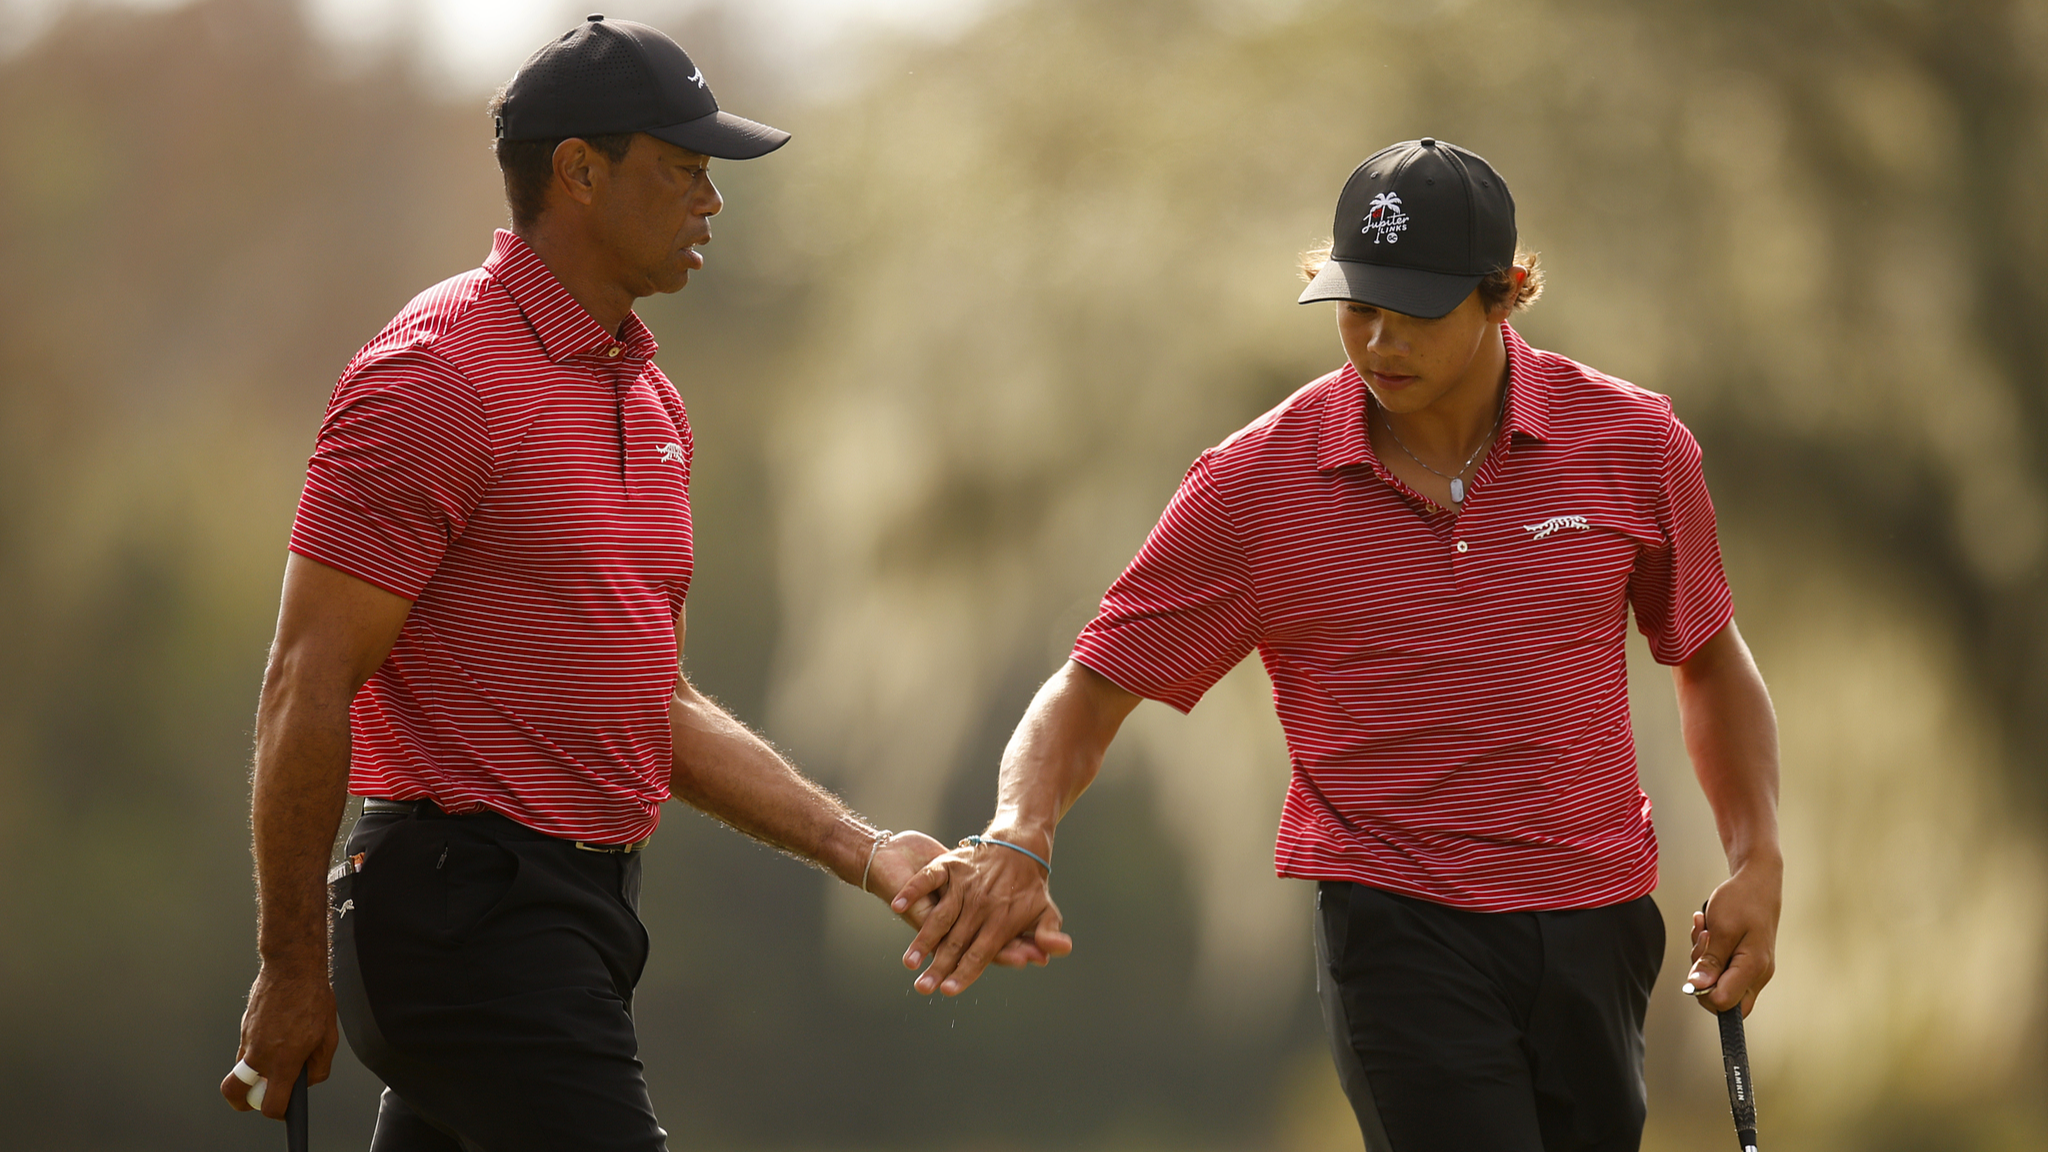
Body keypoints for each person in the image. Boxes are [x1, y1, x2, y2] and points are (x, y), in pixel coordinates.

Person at [892, 138, 1781, 1151]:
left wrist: (1755, 856)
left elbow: (1707, 655)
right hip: (1400, 928)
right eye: (1356, 306)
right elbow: (1087, 694)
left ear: (1505, 294)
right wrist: (1018, 833)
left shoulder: (1629, 443)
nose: (1377, 341)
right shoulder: (1255, 484)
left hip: (1596, 921)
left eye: (1414, 311)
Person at [216, 16, 976, 1150]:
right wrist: (288, 968)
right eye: (681, 171)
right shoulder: (435, 378)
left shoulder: (649, 400)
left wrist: (860, 851)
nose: (710, 202)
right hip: (462, 912)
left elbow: (646, 700)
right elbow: (304, 679)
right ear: (578, 171)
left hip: (578, 918)